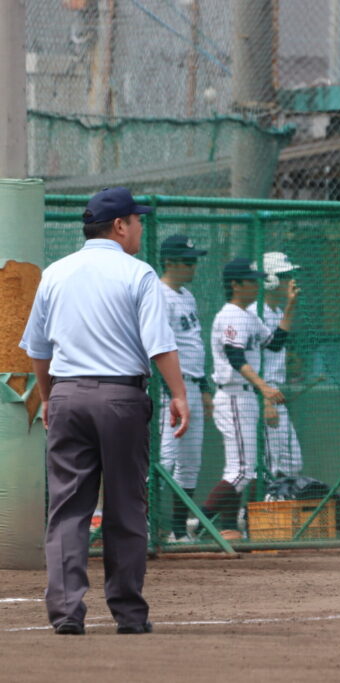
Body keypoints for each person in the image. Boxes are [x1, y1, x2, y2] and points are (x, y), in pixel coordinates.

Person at [19, 187, 190, 635]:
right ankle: (129, 614)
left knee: (67, 508)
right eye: (137, 220)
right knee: (126, 506)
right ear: (119, 226)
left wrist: (49, 397)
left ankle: (65, 613)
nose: (140, 227)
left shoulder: (55, 273)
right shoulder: (139, 273)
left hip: (68, 395)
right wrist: (179, 393)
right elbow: (159, 343)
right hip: (121, 398)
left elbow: (38, 349)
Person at [203, 257, 299, 539]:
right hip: (234, 395)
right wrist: (264, 388)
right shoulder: (231, 314)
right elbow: (235, 358)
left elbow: (274, 344)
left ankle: (223, 527)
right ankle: (195, 524)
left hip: (245, 397)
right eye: (251, 281)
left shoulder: (248, 315)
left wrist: (290, 306)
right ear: (235, 284)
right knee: (243, 471)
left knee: (244, 469)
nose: (257, 286)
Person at [157, 235, 212, 542]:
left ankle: (179, 531)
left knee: (190, 463)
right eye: (188, 261)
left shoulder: (187, 296)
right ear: (169, 262)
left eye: (194, 261)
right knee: (165, 460)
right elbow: (157, 347)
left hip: (192, 385)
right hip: (171, 390)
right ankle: (143, 525)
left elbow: (194, 346)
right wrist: (171, 394)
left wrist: (203, 388)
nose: (193, 267)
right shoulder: (159, 295)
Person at [248, 252, 304, 478]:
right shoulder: (254, 312)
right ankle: (259, 501)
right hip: (260, 394)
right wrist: (265, 401)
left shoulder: (277, 311)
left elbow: (275, 346)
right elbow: (251, 361)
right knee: (269, 464)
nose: (290, 280)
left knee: (291, 461)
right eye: (284, 276)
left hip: (274, 392)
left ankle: (273, 498)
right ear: (269, 280)